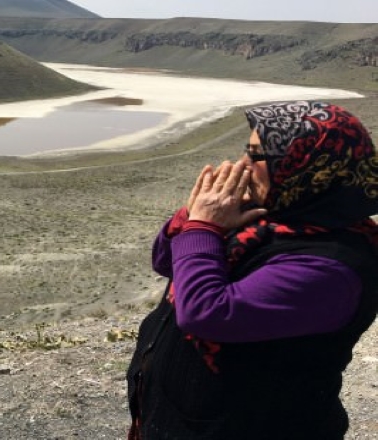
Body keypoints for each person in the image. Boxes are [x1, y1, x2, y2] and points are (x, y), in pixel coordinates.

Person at [126, 101, 378, 439]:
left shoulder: (334, 267)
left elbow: (207, 312)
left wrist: (203, 226)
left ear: (305, 165)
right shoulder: (271, 217)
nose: (243, 165)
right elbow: (165, 260)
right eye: (248, 151)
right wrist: (192, 216)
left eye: (257, 156)